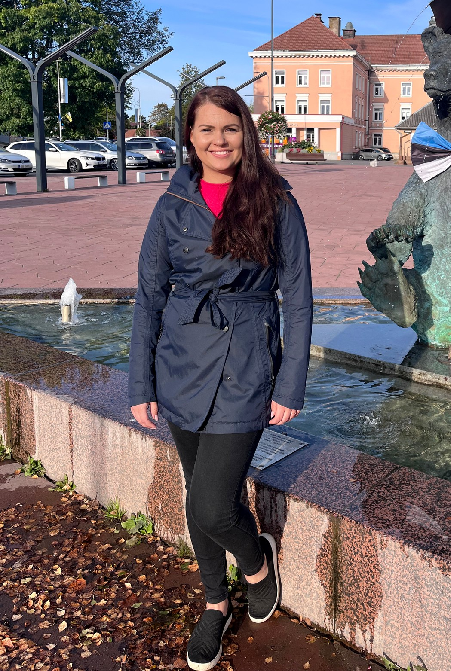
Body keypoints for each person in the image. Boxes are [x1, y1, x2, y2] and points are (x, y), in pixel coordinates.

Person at [128, 86, 312, 671]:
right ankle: (215, 602)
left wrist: (290, 384)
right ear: (190, 136)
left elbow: (299, 299)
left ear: (245, 134)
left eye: (230, 128)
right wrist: (140, 384)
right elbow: (148, 297)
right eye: (206, 129)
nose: (219, 140)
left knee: (211, 505)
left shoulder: (276, 201)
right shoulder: (171, 204)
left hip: (245, 361)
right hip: (179, 361)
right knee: (201, 493)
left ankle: (255, 564)